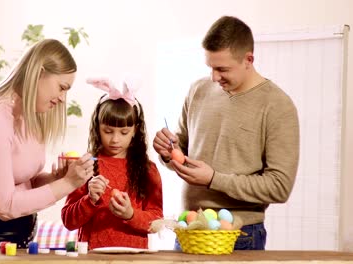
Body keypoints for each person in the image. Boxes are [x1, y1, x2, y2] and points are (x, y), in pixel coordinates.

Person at [153, 16, 299, 250]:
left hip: (240, 236)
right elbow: (183, 153)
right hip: (190, 230)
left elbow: (280, 187)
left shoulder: (277, 105)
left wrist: (213, 179)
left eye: (222, 69)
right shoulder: (198, 90)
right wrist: (168, 152)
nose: (214, 77)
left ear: (248, 59)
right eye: (210, 67)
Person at [0, 39, 95, 248]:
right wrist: (68, 184)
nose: (63, 99)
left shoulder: (26, 116)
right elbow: (5, 205)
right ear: (39, 72)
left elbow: (21, 182)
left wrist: (57, 178)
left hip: (17, 242)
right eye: (61, 87)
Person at [61, 77, 163, 249]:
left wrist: (131, 214)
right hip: (92, 259)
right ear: (97, 127)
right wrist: (90, 199)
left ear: (135, 130)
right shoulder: (85, 165)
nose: (115, 139)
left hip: (134, 260)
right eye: (108, 131)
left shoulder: (147, 170)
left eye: (124, 132)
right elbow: (68, 221)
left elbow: (157, 222)